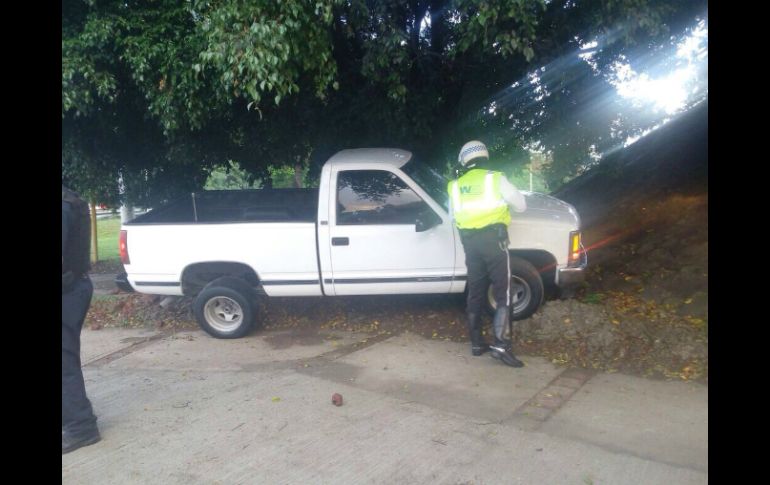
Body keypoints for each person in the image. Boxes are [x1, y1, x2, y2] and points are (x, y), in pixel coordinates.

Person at [447, 141, 527, 368]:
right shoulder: (495, 179)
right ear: (485, 156)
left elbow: (453, 215)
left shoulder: (455, 186)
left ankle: (476, 343)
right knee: (504, 292)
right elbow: (521, 205)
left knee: (476, 289)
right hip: (493, 242)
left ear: (464, 160)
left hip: (470, 243)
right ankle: (502, 346)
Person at [62, 186, 101, 454]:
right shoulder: (68, 198)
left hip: (69, 291)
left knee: (64, 364)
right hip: (74, 287)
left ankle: (81, 428)